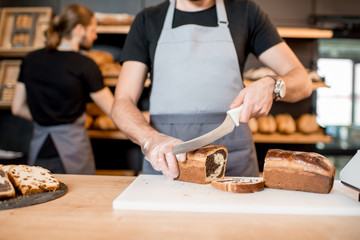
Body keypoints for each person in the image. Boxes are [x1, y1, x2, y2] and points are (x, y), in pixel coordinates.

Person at [111, 0, 313, 179]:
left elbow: (303, 82)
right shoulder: (148, 20)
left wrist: (273, 85)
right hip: (166, 158)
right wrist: (151, 140)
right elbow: (122, 102)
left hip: (233, 158)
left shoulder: (245, 12)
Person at [11, 4, 114, 174]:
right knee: (79, 198)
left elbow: (17, 108)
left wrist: (46, 119)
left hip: (39, 150)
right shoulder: (84, 64)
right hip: (73, 150)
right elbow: (113, 110)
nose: (95, 36)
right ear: (79, 29)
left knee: (41, 194)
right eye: (93, 30)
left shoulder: (30, 59)